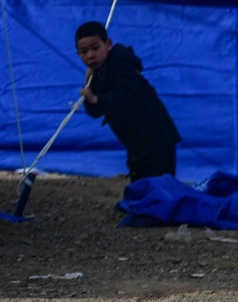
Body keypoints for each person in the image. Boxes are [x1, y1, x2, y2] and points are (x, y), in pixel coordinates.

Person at [75, 21, 182, 184]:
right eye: (83, 52)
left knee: (160, 189)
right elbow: (95, 112)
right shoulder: (98, 73)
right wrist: (88, 86)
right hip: (136, 145)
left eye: (95, 48)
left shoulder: (122, 65)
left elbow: (126, 97)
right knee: (140, 188)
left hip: (156, 139)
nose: (90, 55)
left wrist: (96, 98)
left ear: (108, 45)